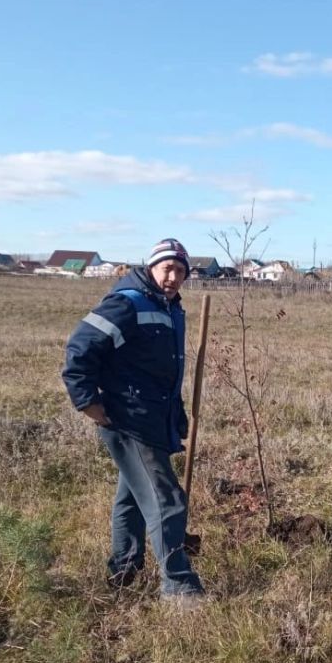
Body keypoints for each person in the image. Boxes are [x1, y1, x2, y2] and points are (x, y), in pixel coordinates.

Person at [62, 238, 204, 601]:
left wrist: (177, 413)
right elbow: (80, 349)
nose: (173, 277)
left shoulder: (170, 307)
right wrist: (86, 402)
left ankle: (124, 570)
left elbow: (161, 371)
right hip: (128, 418)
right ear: (152, 267)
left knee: (132, 496)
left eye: (180, 271)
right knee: (167, 499)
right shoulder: (127, 302)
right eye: (167, 268)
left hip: (154, 416)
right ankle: (179, 587)